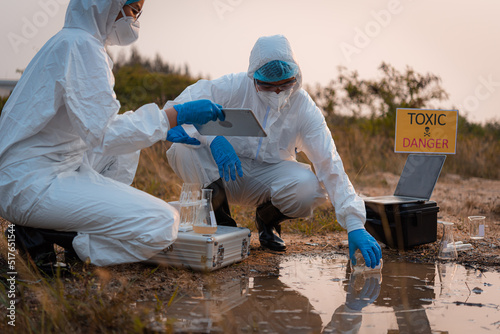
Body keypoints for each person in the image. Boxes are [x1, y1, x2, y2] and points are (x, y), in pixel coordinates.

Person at [0, 0, 225, 267]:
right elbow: (106, 134)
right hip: (31, 186)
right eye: (133, 10)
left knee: (127, 150)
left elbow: (97, 126)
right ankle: (64, 240)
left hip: (34, 170)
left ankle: (58, 228)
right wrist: (174, 116)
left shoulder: (71, 42)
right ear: (106, 4)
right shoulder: (82, 47)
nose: (136, 19)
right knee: (162, 222)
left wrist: (162, 130)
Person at [165, 34, 382, 267]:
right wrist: (212, 138)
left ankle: (266, 220)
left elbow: (329, 162)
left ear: (297, 76)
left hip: (269, 178)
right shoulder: (231, 87)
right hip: (223, 171)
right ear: (253, 77)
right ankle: (223, 228)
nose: (277, 92)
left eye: (285, 84)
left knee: (309, 189)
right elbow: (175, 110)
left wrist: (355, 224)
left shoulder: (304, 108)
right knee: (182, 149)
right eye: (267, 85)